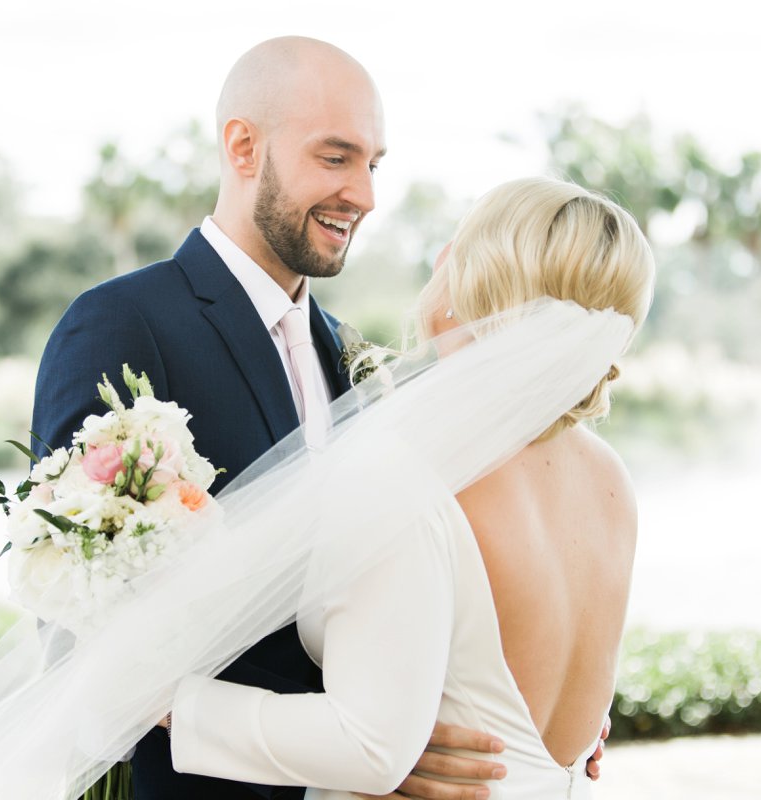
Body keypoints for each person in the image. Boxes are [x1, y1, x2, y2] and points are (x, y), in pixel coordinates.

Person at [29, 35, 528, 800]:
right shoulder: (124, 325)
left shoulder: (348, 355)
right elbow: (79, 623)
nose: (363, 195)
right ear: (242, 146)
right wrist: (363, 746)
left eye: (373, 163)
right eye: (336, 158)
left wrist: (530, 729)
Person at [158, 176, 655, 799]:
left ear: (478, 283)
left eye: (458, 243)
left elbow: (369, 747)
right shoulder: (611, 479)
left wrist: (165, 701)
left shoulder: (414, 464)